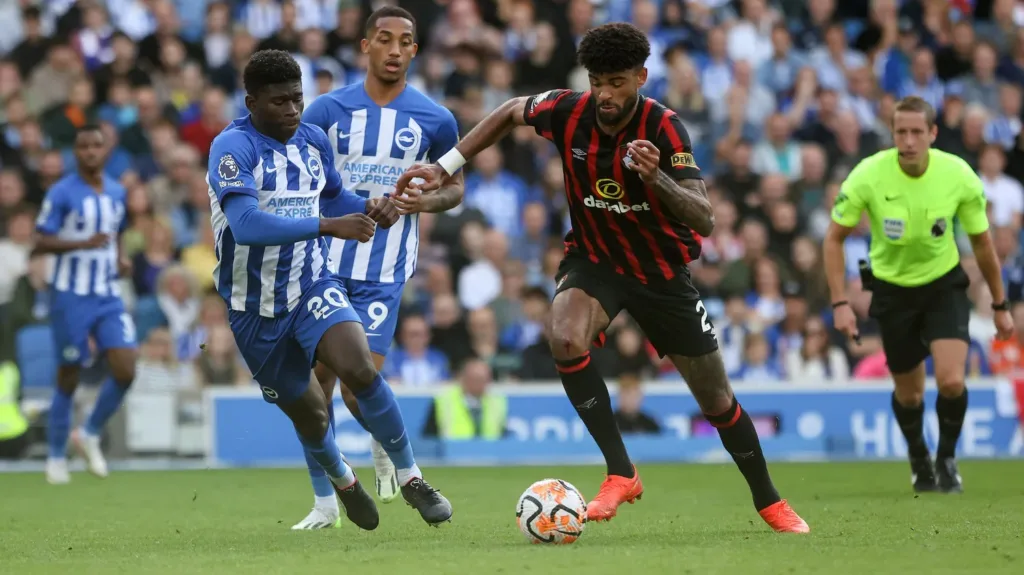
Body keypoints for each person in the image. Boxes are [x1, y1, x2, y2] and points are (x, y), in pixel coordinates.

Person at [395, 22, 808, 533]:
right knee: (564, 337)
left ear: (641, 78)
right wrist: (447, 165)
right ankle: (621, 471)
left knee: (717, 400)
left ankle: (769, 501)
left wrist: (656, 177)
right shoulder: (569, 111)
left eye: (616, 82)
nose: (605, 94)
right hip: (596, 260)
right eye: (596, 82)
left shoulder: (664, 128)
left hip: (660, 273)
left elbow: (704, 218)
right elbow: (511, 110)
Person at [206, 50, 450, 531]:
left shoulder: (313, 140)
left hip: (312, 283)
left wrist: (372, 206)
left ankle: (412, 477)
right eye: (279, 102)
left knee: (360, 368)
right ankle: (343, 481)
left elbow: (334, 195)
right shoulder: (233, 148)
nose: (293, 110)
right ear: (252, 102)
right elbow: (246, 225)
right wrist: (328, 225)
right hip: (254, 307)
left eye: (297, 99)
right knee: (312, 415)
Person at [297, 6, 463, 525]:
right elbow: (300, 180)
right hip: (322, 265)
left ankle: (389, 453)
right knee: (317, 387)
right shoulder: (326, 110)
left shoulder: (436, 119)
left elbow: (455, 189)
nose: (394, 49)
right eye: (384, 39)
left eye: (404, 41)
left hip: (383, 271)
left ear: (415, 50)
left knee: (357, 383)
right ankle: (325, 503)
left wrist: (422, 202)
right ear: (365, 45)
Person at [824, 95, 1014, 494]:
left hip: (943, 285)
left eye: (916, 132)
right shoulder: (868, 174)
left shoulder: (958, 175)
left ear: (932, 133)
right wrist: (840, 303)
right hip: (892, 291)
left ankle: (946, 458)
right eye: (901, 132)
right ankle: (918, 456)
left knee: (951, 381)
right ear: (892, 134)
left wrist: (1000, 305)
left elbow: (983, 245)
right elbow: (833, 239)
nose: (908, 141)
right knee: (909, 395)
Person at [33, 125, 138, 485]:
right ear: (75, 153)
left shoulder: (117, 191)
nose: (91, 152)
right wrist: (82, 243)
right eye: (84, 147)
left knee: (126, 369)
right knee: (69, 373)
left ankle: (89, 432)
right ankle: (55, 456)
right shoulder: (62, 192)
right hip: (70, 295)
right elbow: (40, 241)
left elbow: (118, 231)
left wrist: (121, 259)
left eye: (97, 146)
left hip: (107, 293)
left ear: (106, 150)